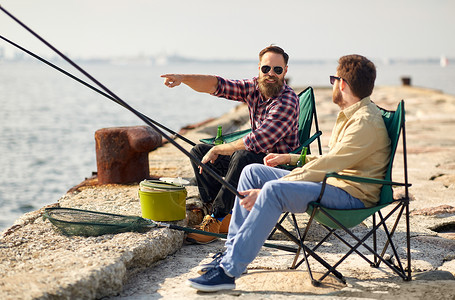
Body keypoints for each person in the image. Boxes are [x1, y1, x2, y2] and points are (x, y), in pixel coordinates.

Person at [186, 54, 391, 292]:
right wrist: (291, 158)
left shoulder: (363, 122)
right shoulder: (353, 114)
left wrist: (265, 191)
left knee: (272, 190)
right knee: (252, 171)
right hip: (333, 183)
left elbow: (329, 164)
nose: (334, 84)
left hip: (350, 194)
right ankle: (231, 254)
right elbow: (333, 158)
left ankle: (229, 271)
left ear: (342, 84)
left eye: (334, 79)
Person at [161, 45, 300, 244]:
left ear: (285, 71)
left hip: (277, 166)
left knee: (241, 155)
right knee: (199, 151)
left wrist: (218, 148)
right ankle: (218, 217)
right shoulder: (254, 87)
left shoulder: (287, 101)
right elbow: (217, 85)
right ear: (259, 68)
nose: (271, 74)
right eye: (266, 69)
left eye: (277, 70)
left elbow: (259, 140)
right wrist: (184, 78)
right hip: (255, 158)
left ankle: (217, 216)